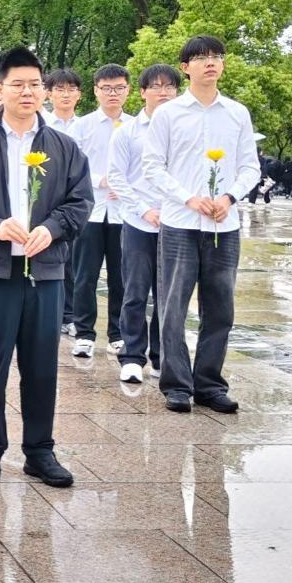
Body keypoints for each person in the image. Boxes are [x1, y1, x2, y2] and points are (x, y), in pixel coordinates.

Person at [0, 48, 94, 488]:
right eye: (18, 84)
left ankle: (40, 450)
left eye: (34, 84)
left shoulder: (64, 148)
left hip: (45, 273)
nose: (27, 92)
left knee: (42, 365)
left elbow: (80, 202)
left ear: (43, 90)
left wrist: (53, 228)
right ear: (1, 89)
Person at [141, 35, 260, 415]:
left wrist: (229, 198)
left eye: (217, 56)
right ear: (186, 67)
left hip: (223, 226)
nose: (211, 62)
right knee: (173, 306)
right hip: (181, 223)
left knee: (220, 308)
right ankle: (177, 385)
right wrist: (188, 198)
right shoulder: (169, 114)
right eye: (202, 57)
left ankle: (209, 384)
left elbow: (250, 166)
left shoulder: (237, 113)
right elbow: (152, 166)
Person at [106, 64, 179, 386]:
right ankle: (132, 356)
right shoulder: (128, 132)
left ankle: (162, 357)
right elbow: (117, 176)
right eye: (156, 86)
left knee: (169, 294)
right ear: (142, 92)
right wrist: (143, 209)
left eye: (170, 87)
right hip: (138, 222)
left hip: (176, 222)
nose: (164, 92)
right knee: (135, 291)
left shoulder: (182, 131)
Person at [68, 64, 134, 363]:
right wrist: (101, 181)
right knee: (85, 275)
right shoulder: (82, 127)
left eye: (119, 88)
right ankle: (84, 334)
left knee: (122, 277)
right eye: (106, 88)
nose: (112, 93)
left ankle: (118, 334)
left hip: (124, 212)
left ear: (128, 90)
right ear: (95, 91)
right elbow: (73, 167)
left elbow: (145, 166)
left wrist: (127, 186)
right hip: (91, 211)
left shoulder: (136, 126)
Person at [43, 69, 83, 334]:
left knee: (77, 263)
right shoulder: (42, 126)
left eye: (71, 89)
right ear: (49, 94)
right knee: (56, 260)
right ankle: (56, 313)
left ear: (79, 94)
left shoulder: (86, 125)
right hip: (50, 201)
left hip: (78, 202)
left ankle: (71, 314)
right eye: (59, 89)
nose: (66, 95)